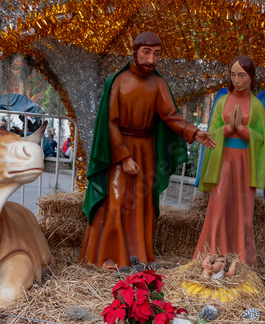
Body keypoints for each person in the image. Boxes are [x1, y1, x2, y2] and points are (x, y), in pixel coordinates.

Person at [78, 32, 215, 269]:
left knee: (142, 203)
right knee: (117, 202)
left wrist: (193, 132)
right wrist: (124, 157)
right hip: (120, 149)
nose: (151, 60)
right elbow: (109, 122)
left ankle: (138, 258)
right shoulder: (117, 81)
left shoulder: (158, 84)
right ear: (135, 50)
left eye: (157, 54)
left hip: (146, 151)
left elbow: (170, 116)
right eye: (146, 52)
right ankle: (108, 259)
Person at [193, 55, 265, 267]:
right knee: (218, 205)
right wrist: (226, 129)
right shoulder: (222, 102)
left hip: (245, 162)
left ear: (251, 78)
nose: (237, 80)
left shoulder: (258, 106)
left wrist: (242, 130)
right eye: (233, 75)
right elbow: (211, 133)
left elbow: (261, 138)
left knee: (243, 210)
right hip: (223, 160)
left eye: (242, 75)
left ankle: (240, 260)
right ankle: (211, 255)